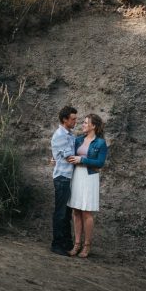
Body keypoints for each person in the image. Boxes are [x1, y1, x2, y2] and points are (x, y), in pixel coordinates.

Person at [67, 113, 107, 258]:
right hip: (77, 176)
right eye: (83, 122)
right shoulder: (78, 140)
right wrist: (56, 159)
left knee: (86, 213)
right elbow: (67, 153)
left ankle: (87, 246)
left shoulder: (100, 143)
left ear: (93, 126)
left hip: (89, 178)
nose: (82, 124)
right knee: (76, 211)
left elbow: (100, 163)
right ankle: (76, 244)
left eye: (85, 123)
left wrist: (82, 159)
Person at [49, 105, 77, 255]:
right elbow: (70, 156)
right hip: (62, 178)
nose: (75, 122)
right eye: (73, 119)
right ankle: (57, 244)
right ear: (64, 119)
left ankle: (66, 243)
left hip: (68, 178)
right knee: (60, 212)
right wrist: (86, 158)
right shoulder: (60, 135)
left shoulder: (70, 135)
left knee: (66, 212)